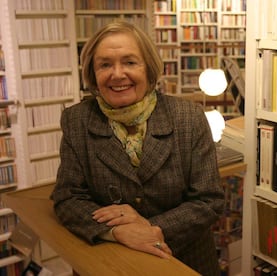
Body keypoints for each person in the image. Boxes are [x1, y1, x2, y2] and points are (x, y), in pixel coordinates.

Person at [51, 21, 225, 276]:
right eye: (105, 64)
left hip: (182, 260)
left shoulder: (188, 117)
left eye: (130, 62)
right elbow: (67, 198)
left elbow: (209, 200)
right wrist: (118, 231)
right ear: (92, 72)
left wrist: (150, 228)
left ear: (149, 68)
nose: (117, 74)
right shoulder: (77, 120)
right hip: (107, 262)